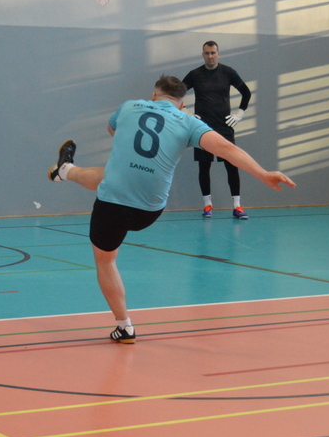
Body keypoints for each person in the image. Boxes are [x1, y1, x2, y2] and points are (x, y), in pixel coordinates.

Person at [48, 75, 294, 344]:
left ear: (154, 95)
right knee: (107, 175)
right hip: (150, 209)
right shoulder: (189, 122)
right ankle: (65, 169)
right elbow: (225, 148)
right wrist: (263, 174)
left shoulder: (129, 106)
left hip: (113, 204)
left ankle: (125, 327)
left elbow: (113, 131)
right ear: (181, 103)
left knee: (106, 260)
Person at [182, 40, 253, 219]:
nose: (210, 56)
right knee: (204, 166)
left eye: (213, 53)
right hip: (202, 128)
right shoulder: (195, 74)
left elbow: (246, 92)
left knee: (232, 165)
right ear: (203, 55)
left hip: (224, 128)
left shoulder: (228, 72)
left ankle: (237, 207)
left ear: (218, 54)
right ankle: (207, 205)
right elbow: (176, 95)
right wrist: (187, 114)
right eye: (207, 53)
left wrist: (240, 113)